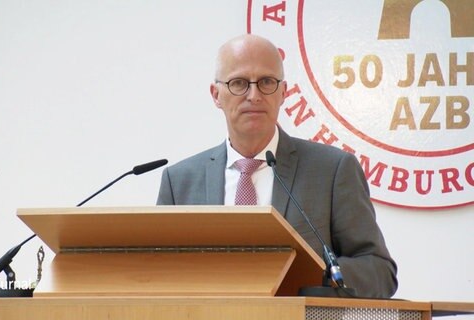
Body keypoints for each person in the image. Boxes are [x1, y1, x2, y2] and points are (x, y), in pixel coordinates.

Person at [156, 34, 397, 298]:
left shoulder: (332, 170)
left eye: (266, 82)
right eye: (238, 83)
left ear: (283, 93)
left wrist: (313, 276)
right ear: (216, 95)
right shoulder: (179, 182)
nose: (254, 95)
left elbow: (379, 271)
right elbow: (160, 275)